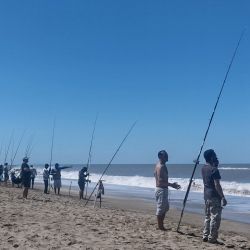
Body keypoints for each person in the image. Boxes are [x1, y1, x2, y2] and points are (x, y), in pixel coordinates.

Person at [201, 149, 227, 244]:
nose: (216, 157)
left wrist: (214, 165)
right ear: (212, 157)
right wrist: (223, 197)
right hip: (214, 196)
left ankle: (205, 235)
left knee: (207, 217)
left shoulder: (203, 168)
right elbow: (217, 185)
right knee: (215, 218)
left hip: (206, 195)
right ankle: (212, 238)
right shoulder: (214, 170)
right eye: (215, 156)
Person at [154, 150, 181, 231]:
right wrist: (172, 185)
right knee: (161, 208)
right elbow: (160, 181)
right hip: (161, 189)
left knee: (165, 208)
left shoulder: (161, 165)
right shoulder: (160, 166)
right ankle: (160, 226)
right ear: (160, 157)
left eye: (167, 155)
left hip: (163, 189)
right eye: (165, 155)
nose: (167, 157)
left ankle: (161, 225)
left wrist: (171, 185)